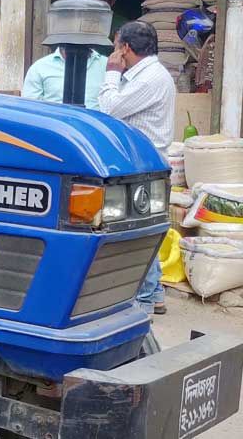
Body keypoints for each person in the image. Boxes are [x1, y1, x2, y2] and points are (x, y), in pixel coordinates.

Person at [99, 20, 176, 315]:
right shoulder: (149, 75)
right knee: (144, 230)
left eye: (117, 45)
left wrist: (111, 74)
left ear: (126, 48)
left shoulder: (149, 79)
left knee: (136, 233)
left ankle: (143, 300)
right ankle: (154, 293)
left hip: (145, 164)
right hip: (144, 162)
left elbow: (110, 109)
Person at [21, 47, 107, 110]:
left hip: (97, 129)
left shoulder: (107, 65)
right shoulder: (39, 67)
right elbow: (31, 108)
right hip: (56, 129)